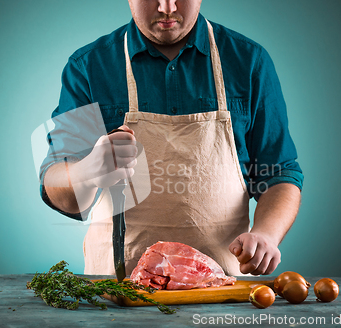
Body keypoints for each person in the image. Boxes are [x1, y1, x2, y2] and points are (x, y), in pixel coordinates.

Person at [40, 0, 303, 276]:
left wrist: (266, 234)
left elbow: (279, 174)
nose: (166, 7)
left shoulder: (249, 62)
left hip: (221, 290)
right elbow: (57, 185)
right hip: (118, 292)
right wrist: (87, 171)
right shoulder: (88, 67)